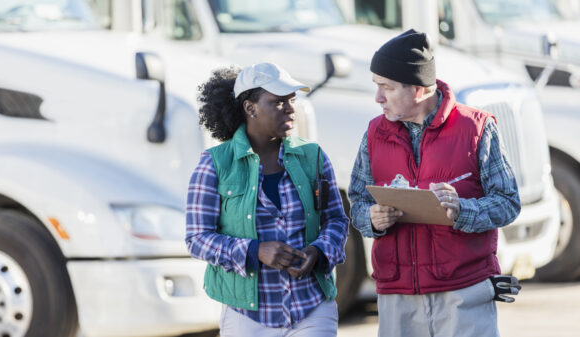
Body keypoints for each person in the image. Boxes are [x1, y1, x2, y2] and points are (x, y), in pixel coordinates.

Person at [348, 29, 521, 337]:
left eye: (385, 87)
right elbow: (357, 203)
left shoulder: (477, 129)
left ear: (418, 89)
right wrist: (372, 218)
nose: (378, 98)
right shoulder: (374, 133)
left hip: (464, 296)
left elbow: (508, 202)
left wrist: (462, 210)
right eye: (377, 86)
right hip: (396, 299)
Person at [185, 62, 349, 336]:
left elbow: (336, 220)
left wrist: (319, 252)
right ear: (250, 108)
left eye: (292, 100)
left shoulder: (313, 157)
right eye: (278, 101)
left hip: (311, 306)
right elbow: (197, 238)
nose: (290, 108)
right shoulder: (214, 164)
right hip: (246, 316)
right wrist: (254, 251)